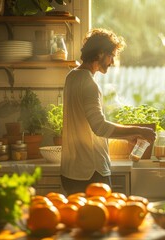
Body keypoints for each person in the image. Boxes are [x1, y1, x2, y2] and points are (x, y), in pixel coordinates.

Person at [60, 28, 156, 195]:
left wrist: (128, 136)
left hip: (70, 173)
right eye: (111, 55)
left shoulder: (72, 77)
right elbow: (99, 127)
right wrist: (138, 130)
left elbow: (88, 128)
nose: (112, 62)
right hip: (91, 173)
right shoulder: (89, 84)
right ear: (100, 54)